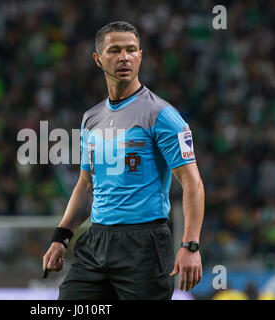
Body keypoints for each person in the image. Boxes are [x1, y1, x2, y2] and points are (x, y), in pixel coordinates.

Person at [42, 21, 205, 300]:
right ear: (98, 59)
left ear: (140, 56)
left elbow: (192, 183)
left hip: (144, 245)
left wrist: (190, 245)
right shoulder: (91, 119)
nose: (124, 57)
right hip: (97, 241)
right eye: (114, 50)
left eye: (131, 50)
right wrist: (61, 236)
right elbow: (85, 184)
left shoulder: (161, 115)